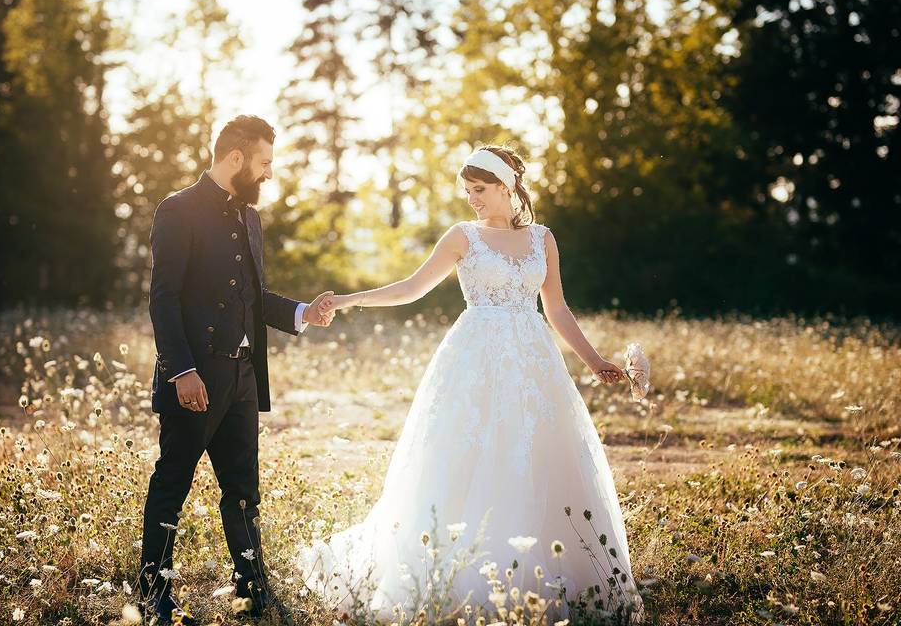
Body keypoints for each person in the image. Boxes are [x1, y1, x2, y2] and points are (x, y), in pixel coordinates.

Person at [297, 145, 645, 623]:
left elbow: (556, 309)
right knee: (465, 456)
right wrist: (346, 300)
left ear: (507, 187)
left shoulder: (543, 239)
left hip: (533, 362)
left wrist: (594, 360)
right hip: (474, 360)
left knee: (539, 455)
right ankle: (460, 579)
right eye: (468, 191)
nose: (472, 199)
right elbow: (411, 288)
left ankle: (550, 578)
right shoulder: (462, 237)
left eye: (479, 190)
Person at [141, 115, 334, 625]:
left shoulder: (250, 219)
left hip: (244, 377)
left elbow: (254, 296)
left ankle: (252, 586)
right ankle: (153, 592)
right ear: (235, 159)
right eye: (265, 162)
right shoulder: (177, 210)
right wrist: (181, 371)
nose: (269, 173)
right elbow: (164, 300)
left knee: (244, 489)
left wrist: (302, 313)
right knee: (172, 484)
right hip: (195, 378)